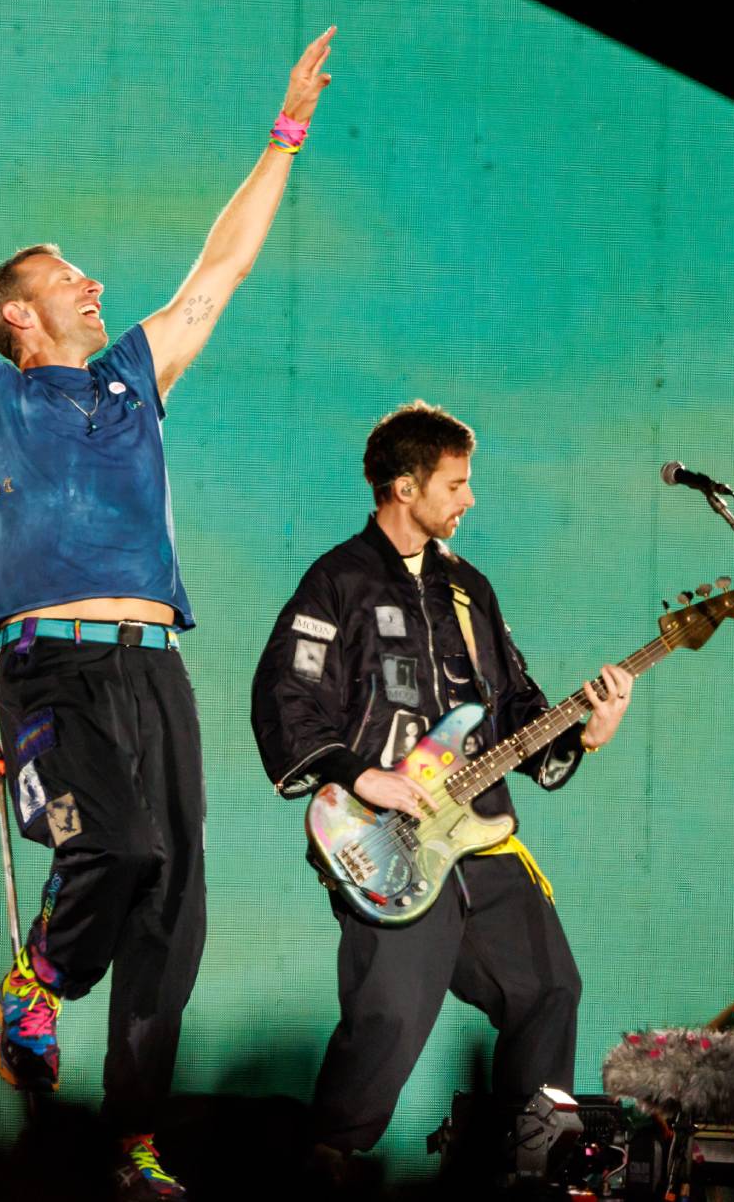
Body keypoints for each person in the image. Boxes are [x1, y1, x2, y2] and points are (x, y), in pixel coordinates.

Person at [0, 21, 335, 1200]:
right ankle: (35, 979)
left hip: (156, 671)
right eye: (65, 277)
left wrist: (285, 128)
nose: (95, 283)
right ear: (19, 316)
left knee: (173, 917)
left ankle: (135, 1143)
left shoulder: (133, 379)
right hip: (54, 671)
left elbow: (221, 268)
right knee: (117, 849)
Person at [249, 401, 636, 1175]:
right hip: (385, 842)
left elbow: (517, 709)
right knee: (388, 1015)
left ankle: (531, 1165)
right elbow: (286, 698)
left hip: (482, 838)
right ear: (403, 488)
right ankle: (323, 1168)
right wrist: (365, 777)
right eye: (455, 485)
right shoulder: (337, 582)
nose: (468, 500)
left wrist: (586, 732)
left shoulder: (470, 592)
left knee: (549, 987)